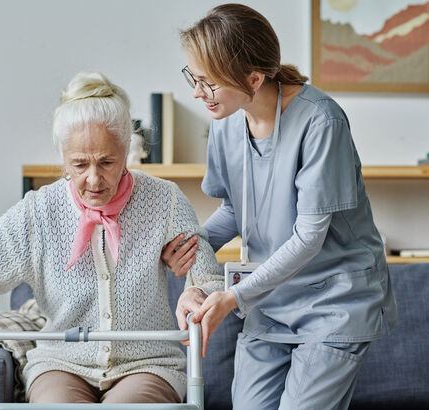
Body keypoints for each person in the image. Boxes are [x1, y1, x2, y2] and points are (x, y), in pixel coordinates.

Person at [0, 72, 222, 404]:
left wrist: (196, 293)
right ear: (62, 159)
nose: (94, 179)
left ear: (127, 148)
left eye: (107, 162)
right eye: (80, 164)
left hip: (148, 365)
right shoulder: (38, 213)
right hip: (60, 365)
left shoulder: (164, 201)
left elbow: (210, 276)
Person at [163, 4, 398, 410]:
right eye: (192, 78)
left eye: (207, 83)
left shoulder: (321, 122)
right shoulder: (224, 124)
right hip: (269, 303)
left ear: (253, 78)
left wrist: (232, 298)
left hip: (333, 303)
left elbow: (309, 237)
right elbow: (236, 212)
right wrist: (190, 253)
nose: (196, 93)